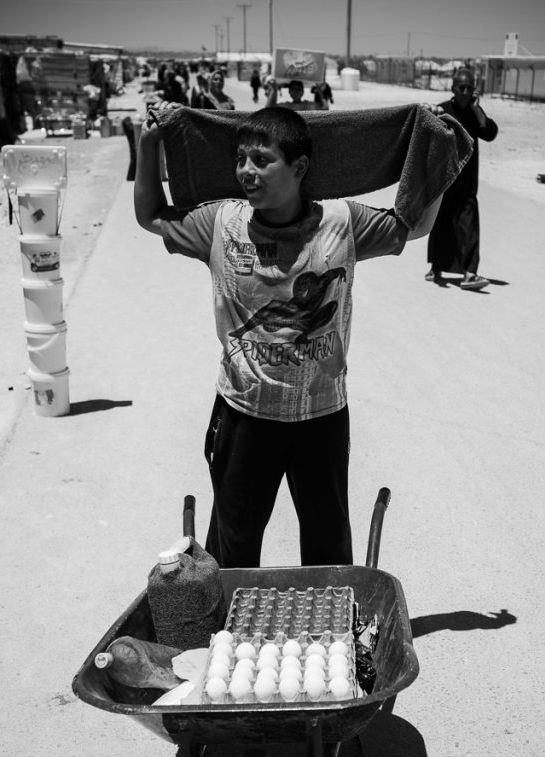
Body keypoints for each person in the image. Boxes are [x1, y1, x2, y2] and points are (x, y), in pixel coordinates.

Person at [134, 106, 441, 568]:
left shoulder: (342, 223)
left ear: (299, 168)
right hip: (244, 414)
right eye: (240, 159)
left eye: (261, 160)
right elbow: (150, 215)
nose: (245, 172)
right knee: (233, 544)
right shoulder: (220, 224)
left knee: (327, 542)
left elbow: (414, 224)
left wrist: (435, 149)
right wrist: (148, 145)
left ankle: (326, 630)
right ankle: (228, 636)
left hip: (321, 416)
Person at [425, 67, 498, 291]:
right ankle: (436, 267)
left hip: (467, 185)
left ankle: (470, 273)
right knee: (441, 225)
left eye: (470, 88)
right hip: (445, 182)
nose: (466, 92)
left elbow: (490, 133)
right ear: (453, 88)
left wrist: (478, 112)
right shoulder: (443, 110)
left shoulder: (476, 114)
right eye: (461, 88)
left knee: (469, 227)